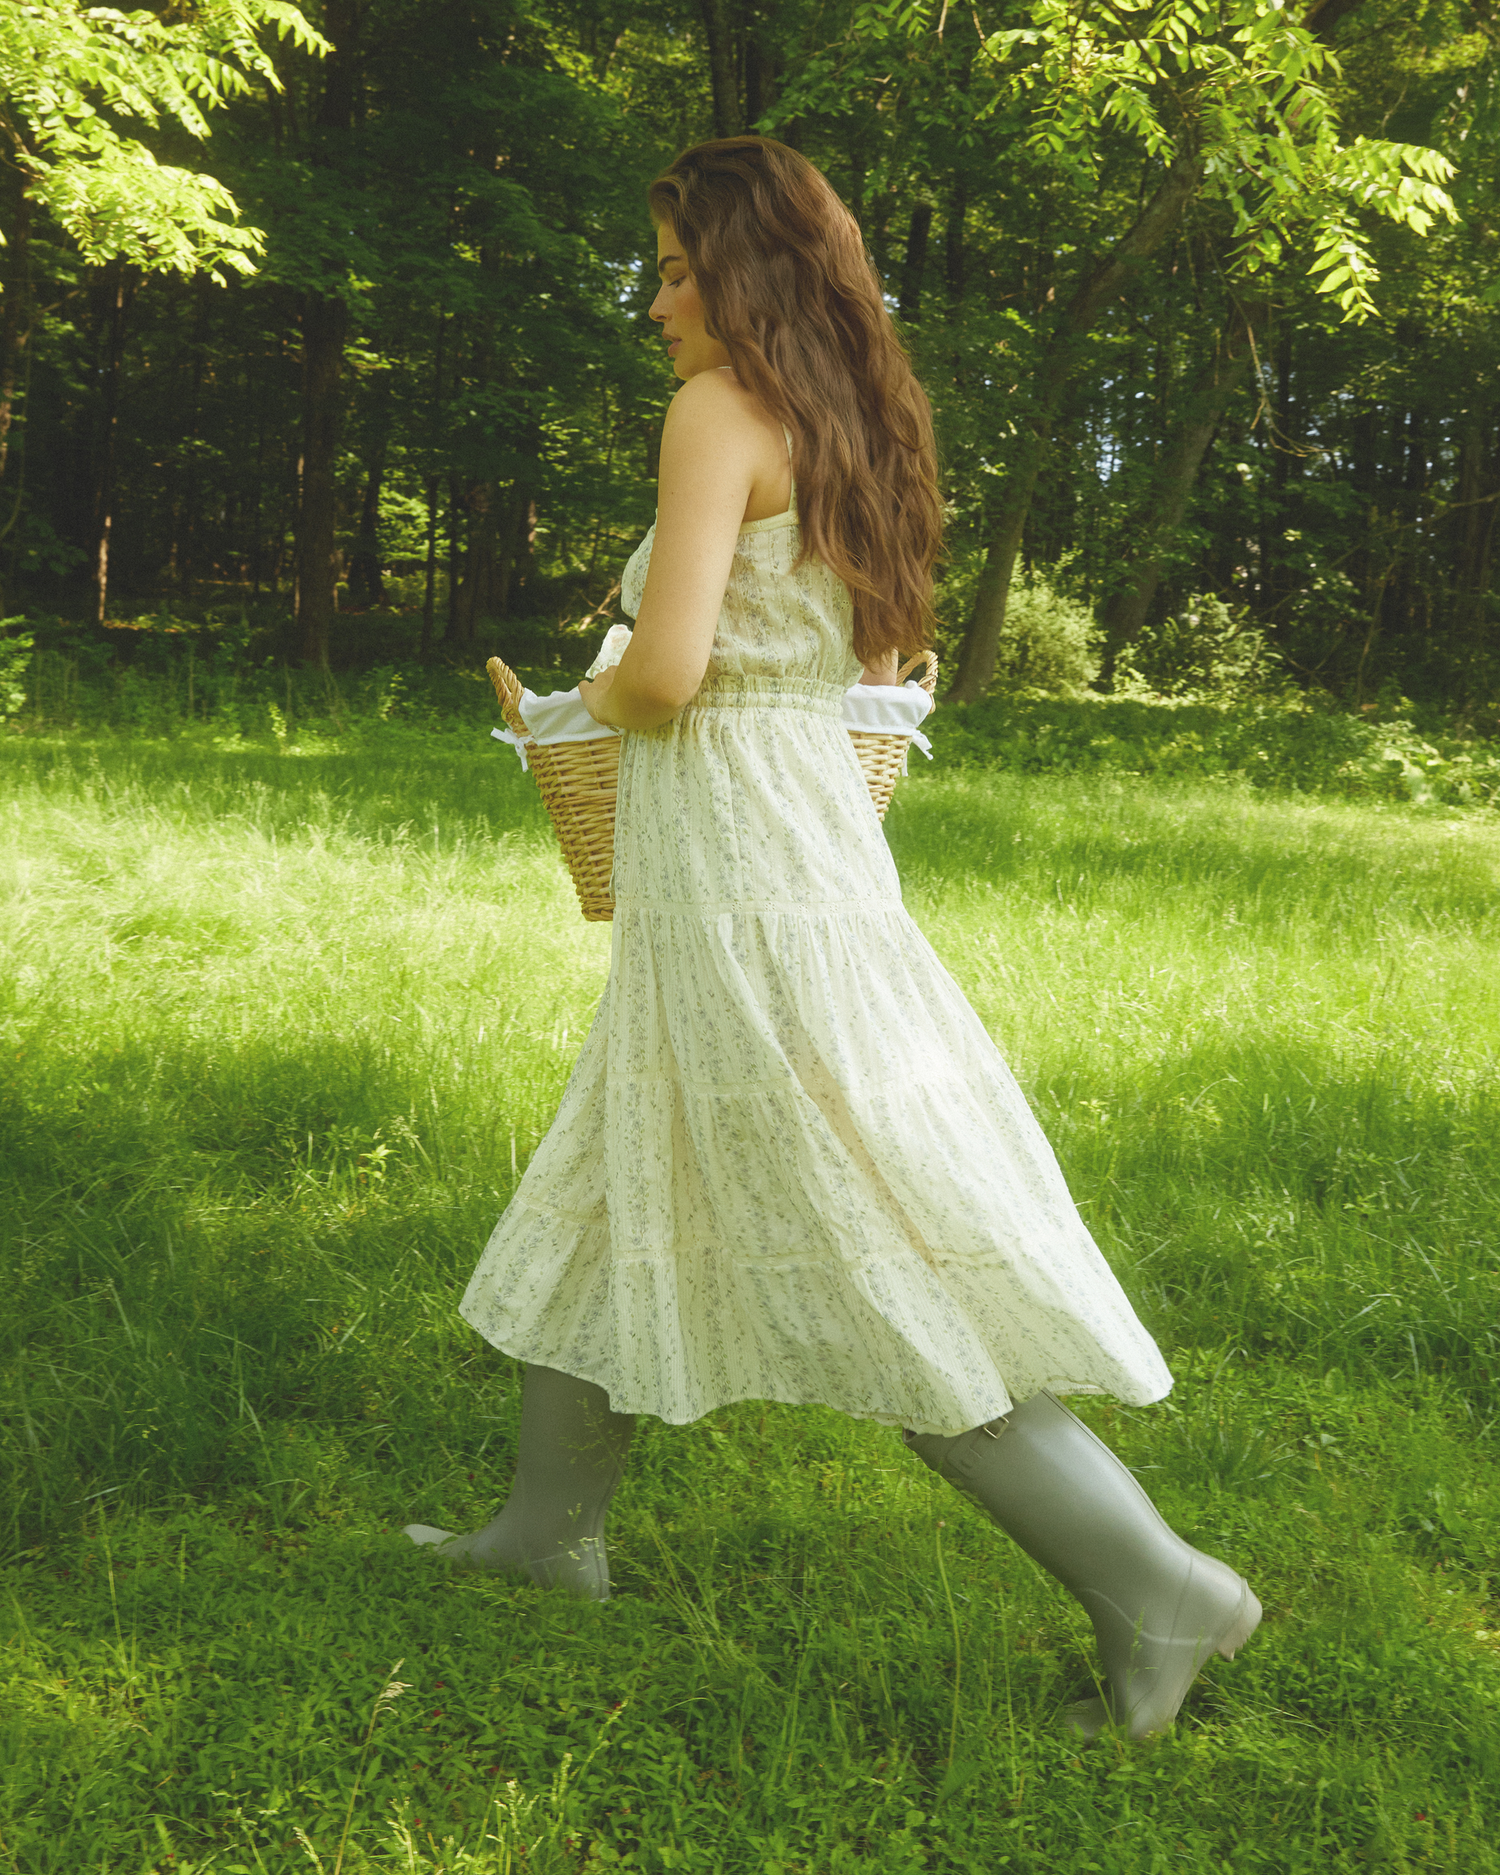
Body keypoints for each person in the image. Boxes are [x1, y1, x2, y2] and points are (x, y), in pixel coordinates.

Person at [404, 137, 1260, 1744]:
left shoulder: (715, 414)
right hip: (798, 840)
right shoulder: (853, 418)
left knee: (871, 1240)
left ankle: (1160, 1585)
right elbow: (843, 654)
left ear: (747, 274)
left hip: (737, 861)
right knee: (622, 1160)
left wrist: (587, 697)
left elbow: (667, 676)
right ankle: (545, 1530)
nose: (656, 304)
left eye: (676, 271)